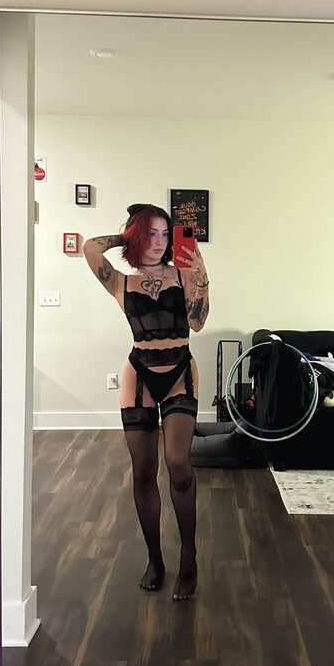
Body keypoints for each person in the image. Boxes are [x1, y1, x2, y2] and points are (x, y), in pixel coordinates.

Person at [81, 204, 210, 600]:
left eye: (165, 234)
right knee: (142, 470)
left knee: (177, 461)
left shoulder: (183, 273)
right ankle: (155, 558)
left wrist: (201, 274)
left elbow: (197, 321)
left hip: (180, 371)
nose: (159, 241)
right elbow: (90, 247)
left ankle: (189, 556)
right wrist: (128, 237)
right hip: (138, 374)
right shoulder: (121, 282)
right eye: (151, 233)